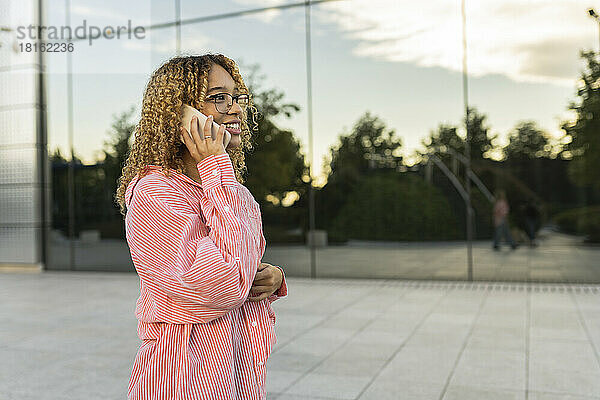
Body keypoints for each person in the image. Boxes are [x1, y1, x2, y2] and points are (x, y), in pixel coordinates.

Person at [115, 54, 288, 400]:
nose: (236, 108)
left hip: (236, 378)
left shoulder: (228, 188)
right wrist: (214, 164)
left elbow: (238, 263)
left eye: (237, 97)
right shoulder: (154, 193)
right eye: (218, 97)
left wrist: (273, 277)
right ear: (179, 114)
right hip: (183, 380)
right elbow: (221, 285)